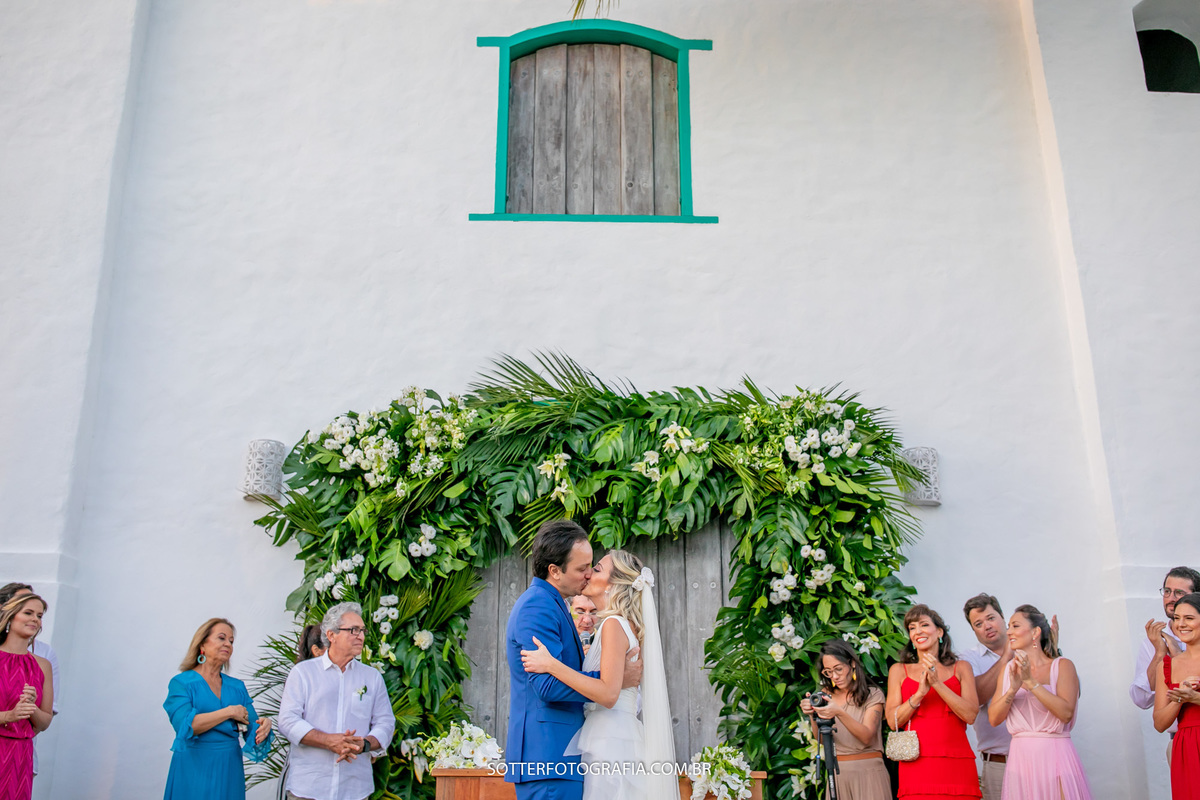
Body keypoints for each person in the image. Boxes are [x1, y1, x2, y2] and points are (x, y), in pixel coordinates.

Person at [504, 520, 642, 800]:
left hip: (567, 758)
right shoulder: (537, 606)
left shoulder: (557, 604)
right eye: (582, 568)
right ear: (554, 571)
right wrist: (612, 681)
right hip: (548, 758)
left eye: (592, 566)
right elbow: (546, 686)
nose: (588, 574)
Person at [522, 549, 673, 800]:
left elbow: (607, 694)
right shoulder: (617, 625)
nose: (590, 572)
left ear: (613, 584)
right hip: (613, 734)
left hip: (610, 740)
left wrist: (551, 665)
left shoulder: (614, 624)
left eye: (598, 569)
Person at [278, 602, 394, 800]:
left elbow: (386, 723)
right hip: (309, 787)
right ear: (331, 635)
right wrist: (328, 741)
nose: (361, 636)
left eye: (362, 630)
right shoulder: (304, 673)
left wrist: (364, 744)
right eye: (353, 630)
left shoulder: (372, 677)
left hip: (354, 788)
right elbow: (288, 720)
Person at [163, 617, 274, 800]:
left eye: (231, 641)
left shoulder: (237, 687)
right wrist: (229, 712)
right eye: (221, 638)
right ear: (202, 644)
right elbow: (186, 725)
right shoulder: (181, 683)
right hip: (193, 768)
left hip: (228, 768)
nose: (228, 644)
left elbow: (252, 730)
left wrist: (264, 726)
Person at [987, 604, 1090, 799]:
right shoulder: (1008, 671)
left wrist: (1031, 682)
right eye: (1008, 626)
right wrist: (1013, 689)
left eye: (1015, 626)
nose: (1009, 632)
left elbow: (1066, 712)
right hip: (1020, 760)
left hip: (1056, 756)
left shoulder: (1062, 666)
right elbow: (994, 718)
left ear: (1035, 632)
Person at [885, 604, 980, 800]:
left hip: (956, 763)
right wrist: (919, 694)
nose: (917, 631)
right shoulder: (898, 670)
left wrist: (937, 684)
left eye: (924, 625)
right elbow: (893, 721)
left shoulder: (962, 668)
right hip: (916, 763)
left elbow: (970, 715)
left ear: (939, 632)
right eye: (912, 628)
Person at [799, 639, 890, 800]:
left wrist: (839, 712)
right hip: (838, 774)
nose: (834, 676)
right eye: (828, 671)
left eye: (838, 669)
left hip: (869, 772)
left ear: (852, 664)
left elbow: (867, 736)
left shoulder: (873, 694)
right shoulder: (826, 694)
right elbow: (820, 739)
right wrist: (812, 714)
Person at [0, 583, 60, 780]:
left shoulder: (43, 665)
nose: (35, 619)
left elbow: (45, 722)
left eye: (40, 615)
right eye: (28, 613)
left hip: (20, 758)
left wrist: (31, 708)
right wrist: (9, 716)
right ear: (10, 616)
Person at [961, 594, 1013, 800]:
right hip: (998, 763)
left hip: (1039, 757)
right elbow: (977, 697)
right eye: (978, 623)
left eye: (991, 618)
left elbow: (1067, 691)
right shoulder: (968, 659)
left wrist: (1051, 650)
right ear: (973, 630)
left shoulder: (1029, 648)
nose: (987, 626)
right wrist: (1005, 659)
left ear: (1002, 617)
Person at [1132, 567, 1200, 711]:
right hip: (1180, 732)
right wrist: (1160, 654)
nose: (1171, 598)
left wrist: (1177, 655)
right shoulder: (1153, 642)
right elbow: (1141, 701)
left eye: (1179, 593)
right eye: (1167, 591)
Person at [1153, 592, 1200, 799]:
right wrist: (1179, 700)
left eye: (1189, 618)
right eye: (1177, 618)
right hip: (1186, 749)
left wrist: (1195, 698)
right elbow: (1160, 724)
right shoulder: (1167, 666)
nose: (1181, 624)